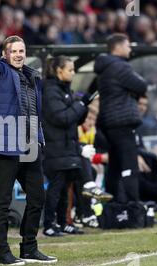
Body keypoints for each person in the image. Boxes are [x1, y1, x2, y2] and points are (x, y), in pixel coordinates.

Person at [0, 15, 56, 265]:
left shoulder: (32, 76)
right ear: (5, 54)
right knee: (2, 202)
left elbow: (35, 113)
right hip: (5, 146)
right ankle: (3, 252)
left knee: (38, 197)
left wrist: (39, 140)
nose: (18, 54)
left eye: (22, 50)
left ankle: (29, 247)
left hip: (30, 146)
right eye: (14, 51)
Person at [42, 56, 111, 236]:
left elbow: (76, 119)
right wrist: (80, 104)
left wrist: (84, 104)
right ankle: (49, 225)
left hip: (67, 147)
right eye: (70, 70)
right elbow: (63, 118)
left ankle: (63, 222)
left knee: (65, 189)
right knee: (56, 188)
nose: (73, 73)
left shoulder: (65, 90)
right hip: (55, 148)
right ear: (59, 71)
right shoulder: (50, 91)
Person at [94, 33, 148, 203]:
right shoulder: (120, 67)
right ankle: (133, 207)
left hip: (109, 123)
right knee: (129, 166)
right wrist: (131, 92)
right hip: (123, 122)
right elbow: (141, 85)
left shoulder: (105, 68)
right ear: (117, 48)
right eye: (127, 45)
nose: (130, 49)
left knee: (115, 166)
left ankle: (114, 206)